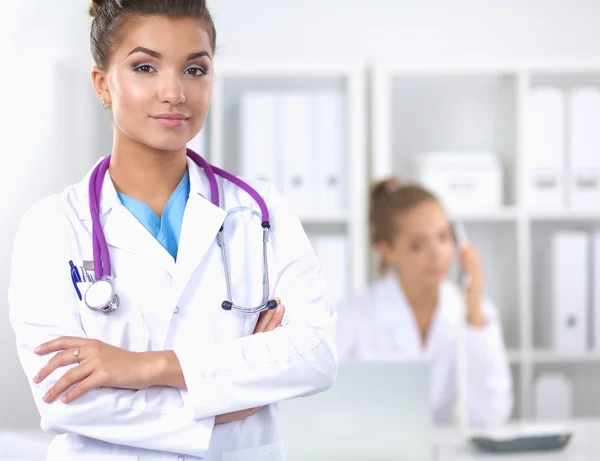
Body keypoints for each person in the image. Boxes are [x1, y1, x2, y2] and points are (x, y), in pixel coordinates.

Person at [8, 1, 337, 460]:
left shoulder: (261, 211)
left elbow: (315, 355)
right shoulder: (51, 227)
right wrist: (235, 394)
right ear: (103, 83)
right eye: (145, 67)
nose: (174, 92)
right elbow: (65, 400)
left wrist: (145, 368)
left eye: (195, 70)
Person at [337, 178, 513, 428]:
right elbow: (329, 411)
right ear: (387, 250)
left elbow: (492, 416)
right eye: (418, 245)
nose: (437, 254)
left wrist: (473, 311)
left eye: (443, 237)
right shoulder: (352, 316)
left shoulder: (474, 310)